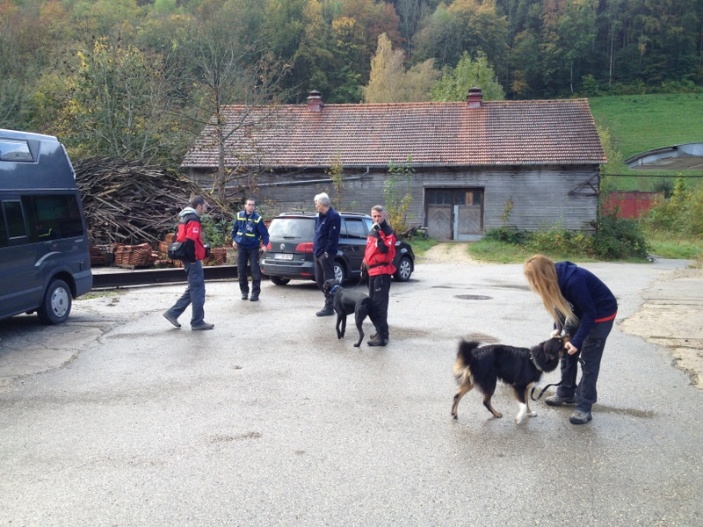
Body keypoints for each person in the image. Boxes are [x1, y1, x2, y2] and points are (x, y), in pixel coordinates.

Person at [524, 254, 618, 425]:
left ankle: (584, 406)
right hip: (580, 312)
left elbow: (590, 313)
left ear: (543, 275)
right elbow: (562, 304)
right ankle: (566, 392)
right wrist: (558, 329)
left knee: (588, 361)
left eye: (534, 279)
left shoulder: (574, 281)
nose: (534, 284)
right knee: (566, 352)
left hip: (601, 314)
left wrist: (577, 341)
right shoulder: (554, 279)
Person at [164, 195, 214, 330]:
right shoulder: (193, 219)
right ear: (199, 206)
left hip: (187, 258)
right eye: (204, 206)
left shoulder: (184, 217)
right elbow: (190, 241)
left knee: (193, 288)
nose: (205, 209)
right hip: (192, 260)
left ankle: (172, 313)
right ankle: (197, 322)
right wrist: (192, 259)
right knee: (198, 290)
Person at [362, 205, 397, 347]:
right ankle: (380, 331)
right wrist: (364, 261)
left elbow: (384, 249)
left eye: (379, 216)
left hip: (382, 273)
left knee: (379, 306)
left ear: (385, 216)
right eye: (374, 216)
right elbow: (370, 248)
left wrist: (379, 234)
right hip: (372, 271)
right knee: (373, 305)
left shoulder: (389, 232)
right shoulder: (372, 230)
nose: (377, 219)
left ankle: (382, 337)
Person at [231, 198, 269, 301]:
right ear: (245, 206)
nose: (251, 206)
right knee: (241, 271)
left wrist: (264, 245)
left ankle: (255, 294)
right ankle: (244, 292)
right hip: (241, 247)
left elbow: (265, 234)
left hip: (253, 248)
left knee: (255, 272)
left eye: (252, 205)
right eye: (249, 204)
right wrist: (234, 240)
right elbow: (234, 230)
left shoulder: (258, 219)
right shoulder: (239, 216)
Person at [312, 192, 341, 316]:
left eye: (316, 203)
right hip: (317, 253)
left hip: (326, 254)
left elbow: (332, 237)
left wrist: (327, 252)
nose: (315, 205)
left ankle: (330, 306)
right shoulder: (319, 216)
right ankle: (332, 301)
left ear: (322, 203)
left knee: (329, 280)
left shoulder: (333, 216)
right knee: (319, 280)